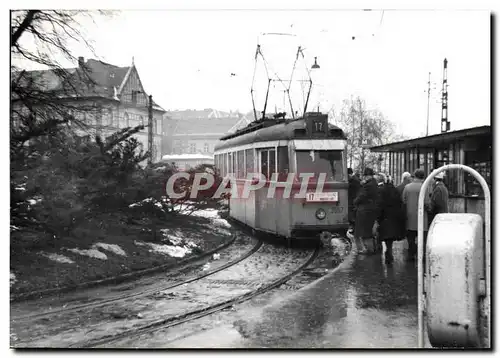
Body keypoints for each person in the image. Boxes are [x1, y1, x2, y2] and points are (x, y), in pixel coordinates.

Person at [376, 173, 407, 264]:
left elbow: (380, 205)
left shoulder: (381, 191)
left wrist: (378, 217)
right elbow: (400, 203)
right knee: (390, 236)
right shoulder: (395, 190)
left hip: (385, 217)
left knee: (385, 236)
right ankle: (389, 251)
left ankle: (386, 252)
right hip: (394, 217)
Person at [402, 168, 430, 262]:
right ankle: (421, 256)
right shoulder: (424, 187)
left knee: (411, 238)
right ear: (423, 177)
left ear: (414, 176)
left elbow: (404, 200)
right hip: (422, 218)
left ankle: (411, 255)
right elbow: (426, 203)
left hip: (410, 217)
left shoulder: (407, 187)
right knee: (422, 238)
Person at [354, 167, 379, 254]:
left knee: (365, 233)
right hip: (371, 210)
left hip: (365, 211)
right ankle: (372, 249)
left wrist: (355, 201)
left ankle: (369, 250)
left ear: (368, 176)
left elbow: (361, 196)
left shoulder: (368, 186)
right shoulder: (374, 183)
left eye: (366, 176)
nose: (365, 178)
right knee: (369, 232)